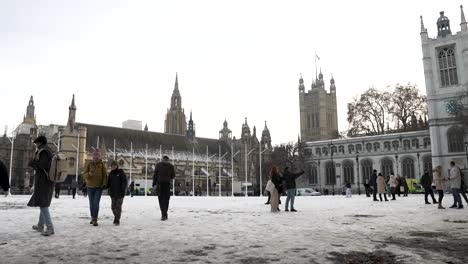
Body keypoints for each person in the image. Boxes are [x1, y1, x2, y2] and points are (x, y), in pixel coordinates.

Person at [27, 136, 55, 236]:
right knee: (43, 203)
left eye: (36, 143)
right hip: (46, 181)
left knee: (43, 204)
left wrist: (32, 162)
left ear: (40, 143)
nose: (36, 145)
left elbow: (43, 164)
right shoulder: (48, 150)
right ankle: (40, 225)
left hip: (44, 181)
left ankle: (50, 227)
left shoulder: (44, 151)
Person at [83, 149, 108, 226]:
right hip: (90, 187)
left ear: (99, 158)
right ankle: (92, 217)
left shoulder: (102, 165)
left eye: (97, 158)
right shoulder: (89, 164)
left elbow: (105, 175)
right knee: (91, 204)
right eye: (94, 157)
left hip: (98, 187)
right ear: (92, 157)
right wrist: (89, 174)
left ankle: (95, 219)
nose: (95, 159)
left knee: (96, 203)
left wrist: (104, 184)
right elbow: (84, 175)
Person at [153, 155, 175, 221]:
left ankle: (163, 214)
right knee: (166, 199)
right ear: (168, 160)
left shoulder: (158, 165)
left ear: (162, 159)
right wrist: (168, 177)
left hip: (160, 184)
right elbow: (173, 176)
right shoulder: (171, 166)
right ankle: (165, 214)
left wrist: (154, 184)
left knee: (161, 199)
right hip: (167, 184)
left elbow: (155, 175)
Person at [107, 160, 128, 226]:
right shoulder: (110, 174)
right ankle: (116, 217)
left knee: (118, 207)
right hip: (113, 193)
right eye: (112, 166)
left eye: (114, 166)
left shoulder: (121, 172)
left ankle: (117, 220)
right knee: (113, 207)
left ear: (117, 166)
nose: (113, 167)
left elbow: (124, 182)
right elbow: (108, 183)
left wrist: (123, 190)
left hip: (120, 193)